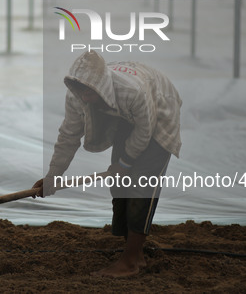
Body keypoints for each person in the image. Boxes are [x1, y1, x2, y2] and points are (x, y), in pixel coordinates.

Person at [33, 50, 182, 278]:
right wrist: (53, 176)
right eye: (79, 90)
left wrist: (125, 162)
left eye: (88, 91)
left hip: (159, 111)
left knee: (141, 187)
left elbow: (145, 131)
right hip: (125, 114)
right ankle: (136, 253)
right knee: (120, 185)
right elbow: (68, 136)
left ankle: (129, 262)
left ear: (100, 86)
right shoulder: (77, 95)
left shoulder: (133, 91)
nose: (83, 96)